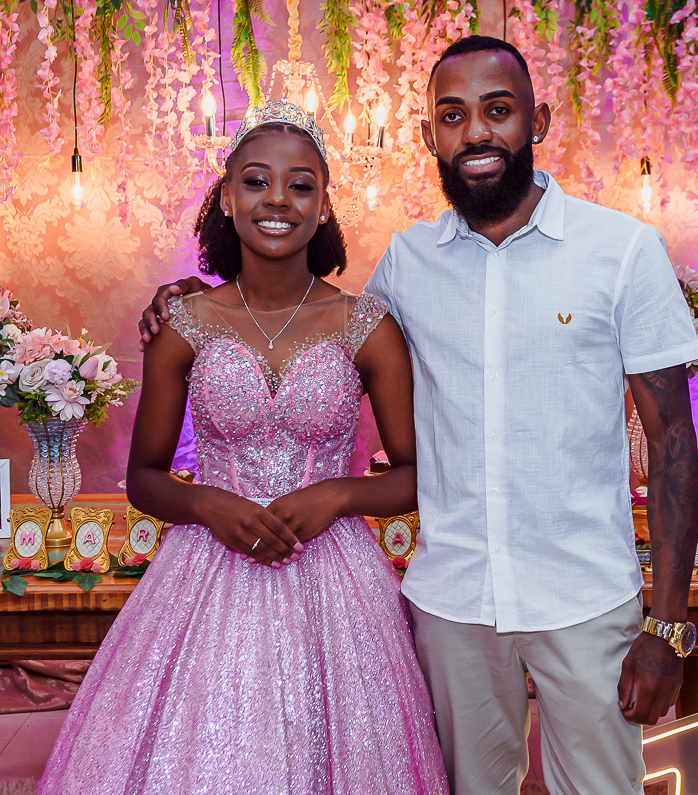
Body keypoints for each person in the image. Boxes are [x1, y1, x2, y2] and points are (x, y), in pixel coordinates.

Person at [142, 37, 698, 795]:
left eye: (497, 110)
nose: (475, 132)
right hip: (451, 602)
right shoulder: (409, 263)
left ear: (537, 120)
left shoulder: (623, 250)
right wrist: (193, 301)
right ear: (429, 134)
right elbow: (308, 327)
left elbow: (671, 441)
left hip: (583, 595)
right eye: (453, 115)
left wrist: (667, 625)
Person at [41, 101, 448, 794]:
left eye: (301, 185)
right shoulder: (183, 321)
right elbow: (144, 477)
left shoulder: (366, 325)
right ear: (227, 198)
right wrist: (208, 504)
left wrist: (337, 494)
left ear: (323, 205)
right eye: (256, 181)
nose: (278, 199)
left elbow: (416, 475)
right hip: (207, 567)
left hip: (335, 575)